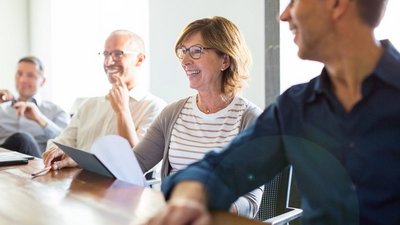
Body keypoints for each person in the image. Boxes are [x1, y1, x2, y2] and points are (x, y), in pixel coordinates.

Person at [144, 0, 400, 225]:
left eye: (294, 2)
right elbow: (225, 167)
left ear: (337, 4)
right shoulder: (295, 107)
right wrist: (191, 195)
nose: (284, 15)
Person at [133, 16, 264, 218]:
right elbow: (135, 162)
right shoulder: (172, 113)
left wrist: (206, 206)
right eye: (183, 52)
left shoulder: (250, 119)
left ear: (225, 60)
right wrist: (82, 160)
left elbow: (251, 202)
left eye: (196, 51)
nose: (185, 61)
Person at [42, 30, 167, 168]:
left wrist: (122, 111)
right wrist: (58, 151)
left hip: (121, 188)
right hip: (77, 183)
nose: (108, 62)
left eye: (118, 54)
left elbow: (137, 164)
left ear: (139, 59)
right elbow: (60, 142)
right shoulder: (89, 105)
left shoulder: (155, 107)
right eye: (106, 54)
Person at [0, 56, 69, 157]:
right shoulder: (2, 109)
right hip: (4, 167)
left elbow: (68, 144)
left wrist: (40, 119)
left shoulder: (56, 111)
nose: (22, 80)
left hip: (35, 167)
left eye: (30, 75)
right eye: (19, 74)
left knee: (23, 139)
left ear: (43, 81)